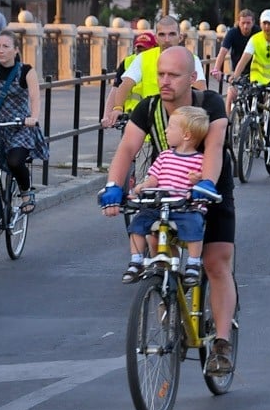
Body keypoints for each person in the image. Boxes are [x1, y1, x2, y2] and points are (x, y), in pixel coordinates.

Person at [98, 46, 237, 375]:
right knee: (152, 241)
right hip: (169, 186)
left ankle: (221, 342)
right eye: (160, 74)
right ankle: (166, 295)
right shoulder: (149, 108)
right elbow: (128, 148)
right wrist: (113, 186)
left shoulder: (210, 103)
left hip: (209, 187)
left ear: (191, 78)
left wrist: (207, 183)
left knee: (216, 262)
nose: (164, 81)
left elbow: (215, 147)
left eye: (173, 75)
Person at [123, 106, 209, 286]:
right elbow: (154, 178)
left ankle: (193, 263)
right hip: (160, 206)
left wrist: (199, 180)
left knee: (195, 224)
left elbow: (207, 180)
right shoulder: (164, 156)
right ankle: (136, 260)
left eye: (170, 127)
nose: (165, 130)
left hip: (185, 208)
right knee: (137, 224)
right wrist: (143, 186)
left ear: (186, 135)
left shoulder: (200, 160)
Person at [102, 16, 207, 127]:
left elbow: (201, 89)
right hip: (147, 129)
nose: (167, 40)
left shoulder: (191, 59)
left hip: (180, 127)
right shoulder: (143, 58)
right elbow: (125, 85)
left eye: (172, 34)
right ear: (156, 38)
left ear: (180, 37)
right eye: (162, 35)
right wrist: (117, 109)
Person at [0, 29, 46, 214]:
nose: (1, 50)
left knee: (14, 162)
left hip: (20, 126)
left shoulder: (26, 71)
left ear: (15, 50)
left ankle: (26, 192)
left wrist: (33, 118)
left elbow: (35, 98)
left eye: (6, 46)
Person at [231, 8, 270, 165]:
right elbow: (245, 58)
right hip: (258, 78)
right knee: (253, 107)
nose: (267, 27)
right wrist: (235, 76)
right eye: (264, 23)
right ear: (260, 24)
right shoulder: (255, 39)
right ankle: (253, 131)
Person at [101, 32, 157, 126]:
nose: (141, 53)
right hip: (131, 116)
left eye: (145, 50)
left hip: (153, 114)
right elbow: (115, 89)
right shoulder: (127, 62)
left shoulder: (161, 61)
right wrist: (107, 116)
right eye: (139, 49)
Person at [211, 9, 261, 114]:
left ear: (253, 23)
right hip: (238, 71)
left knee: (257, 98)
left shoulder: (258, 32)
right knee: (231, 94)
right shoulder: (233, 33)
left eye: (248, 23)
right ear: (238, 23)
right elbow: (223, 52)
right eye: (243, 23)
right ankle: (227, 123)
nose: (246, 26)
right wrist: (216, 69)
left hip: (256, 70)